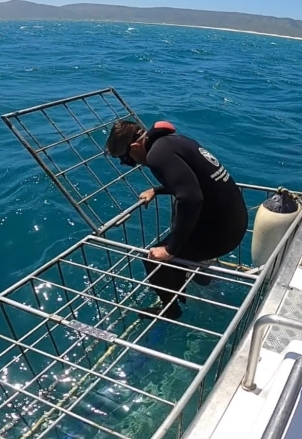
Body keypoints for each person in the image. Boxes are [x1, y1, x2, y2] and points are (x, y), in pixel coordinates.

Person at [105, 119, 248, 319]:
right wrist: (157, 190)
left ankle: (171, 310)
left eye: (127, 159)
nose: (130, 164)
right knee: (178, 230)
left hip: (222, 234)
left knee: (153, 259)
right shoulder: (173, 141)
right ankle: (193, 280)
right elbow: (192, 182)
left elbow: (191, 198)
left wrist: (170, 250)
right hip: (234, 220)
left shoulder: (157, 156)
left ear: (135, 146)